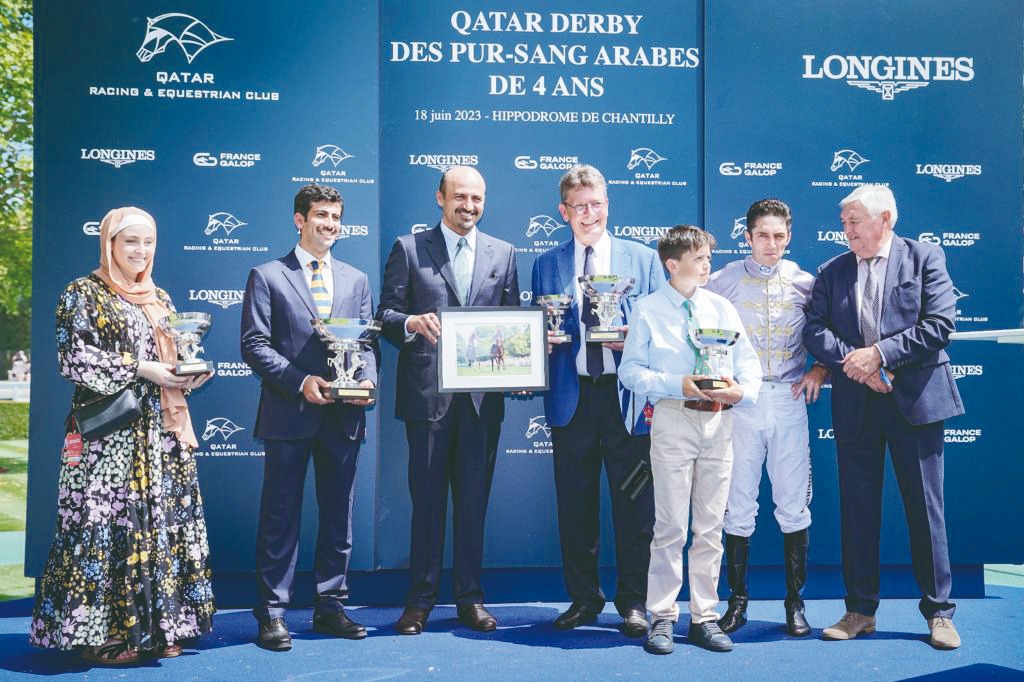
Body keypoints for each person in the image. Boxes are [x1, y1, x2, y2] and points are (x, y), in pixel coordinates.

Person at [29, 207, 215, 664]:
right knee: (105, 523)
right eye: (130, 241)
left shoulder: (160, 297)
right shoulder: (83, 292)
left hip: (161, 434)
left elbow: (174, 355)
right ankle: (102, 634)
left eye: (148, 242)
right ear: (109, 244)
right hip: (109, 435)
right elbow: (74, 358)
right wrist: (140, 368)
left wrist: (186, 373)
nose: (140, 251)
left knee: (158, 522)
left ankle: (159, 627)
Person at [803, 184, 963, 650]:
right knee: (858, 510)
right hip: (857, 403)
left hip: (916, 403)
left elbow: (939, 325)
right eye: (844, 223)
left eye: (854, 221)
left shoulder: (925, 258)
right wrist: (857, 363)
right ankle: (860, 610)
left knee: (925, 510)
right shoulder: (832, 271)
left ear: (885, 219)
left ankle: (939, 613)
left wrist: (879, 355)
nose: (847, 230)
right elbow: (814, 329)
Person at [378, 166, 519, 635]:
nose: (469, 206)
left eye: (477, 198)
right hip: (427, 399)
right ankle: (419, 602)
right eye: (460, 197)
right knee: (427, 504)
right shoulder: (409, 248)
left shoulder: (504, 252)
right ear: (440, 198)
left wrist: (522, 368)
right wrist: (411, 323)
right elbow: (385, 314)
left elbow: (511, 321)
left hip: (481, 402)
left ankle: (470, 599)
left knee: (474, 505)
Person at [241, 184, 377, 651]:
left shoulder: (357, 279)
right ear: (299, 219)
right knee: (280, 517)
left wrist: (366, 381)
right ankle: (272, 612)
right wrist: (301, 382)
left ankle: (330, 606)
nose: (330, 224)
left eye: (336, 217)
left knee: (339, 516)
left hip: (344, 417)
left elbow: (366, 344)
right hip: (289, 413)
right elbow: (254, 343)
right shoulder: (267, 275)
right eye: (321, 215)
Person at [530, 164, 662, 638]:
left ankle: (634, 601)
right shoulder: (546, 263)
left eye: (598, 204)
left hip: (627, 401)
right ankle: (584, 599)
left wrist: (635, 339)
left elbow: (664, 330)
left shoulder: (643, 259)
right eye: (580, 206)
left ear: (608, 205)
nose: (590, 214)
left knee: (635, 504)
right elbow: (538, 326)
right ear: (564, 211)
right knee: (576, 506)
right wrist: (539, 342)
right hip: (573, 399)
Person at [619, 226, 761, 655]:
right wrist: (676, 383)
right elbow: (630, 371)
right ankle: (662, 616)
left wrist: (741, 392)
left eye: (708, 258)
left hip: (719, 422)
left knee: (710, 527)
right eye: (698, 258)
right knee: (670, 526)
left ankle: (704, 617)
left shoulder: (721, 307)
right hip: (673, 419)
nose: (706, 265)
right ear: (672, 264)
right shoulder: (647, 310)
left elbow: (747, 364)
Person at [705, 199, 827, 637]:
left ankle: (795, 604)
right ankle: (737, 603)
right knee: (737, 505)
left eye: (778, 236)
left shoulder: (806, 283)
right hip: (742, 403)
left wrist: (820, 368)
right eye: (762, 235)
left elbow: (833, 331)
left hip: (790, 399)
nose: (770, 244)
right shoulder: (722, 280)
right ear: (748, 237)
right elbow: (693, 324)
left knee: (793, 504)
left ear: (788, 237)